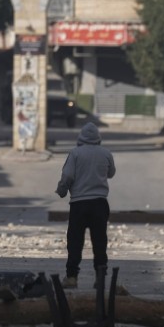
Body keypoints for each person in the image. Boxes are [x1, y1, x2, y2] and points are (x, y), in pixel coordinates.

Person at [55, 122, 116, 289]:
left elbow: (67, 175)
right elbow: (111, 173)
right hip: (100, 203)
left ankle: (72, 277)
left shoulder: (75, 153)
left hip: (79, 204)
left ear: (80, 138)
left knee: (75, 240)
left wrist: (62, 190)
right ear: (98, 138)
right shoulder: (105, 153)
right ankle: (100, 277)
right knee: (99, 241)